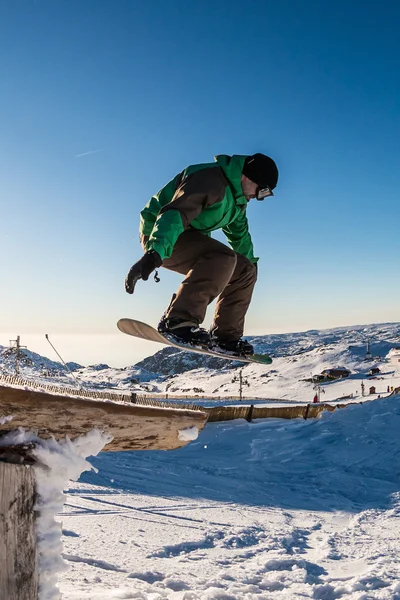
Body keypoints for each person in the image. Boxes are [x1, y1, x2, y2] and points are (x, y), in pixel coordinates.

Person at [125, 153, 279, 356]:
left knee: (245, 269)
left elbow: (240, 236)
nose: (260, 198)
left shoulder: (237, 202)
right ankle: (177, 321)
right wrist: (155, 252)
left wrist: (251, 266)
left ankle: (226, 337)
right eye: (262, 191)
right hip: (160, 233)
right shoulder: (210, 179)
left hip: (187, 237)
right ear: (247, 176)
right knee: (223, 257)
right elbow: (176, 213)